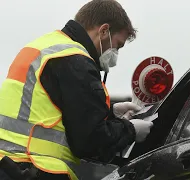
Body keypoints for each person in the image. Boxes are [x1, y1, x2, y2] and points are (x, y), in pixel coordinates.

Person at [0, 0, 153, 179]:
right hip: (37, 168)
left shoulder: (47, 46)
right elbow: (89, 140)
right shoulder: (75, 61)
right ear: (104, 31)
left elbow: (50, 107)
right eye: (117, 45)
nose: (115, 55)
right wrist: (131, 130)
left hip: (9, 164)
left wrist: (110, 112)